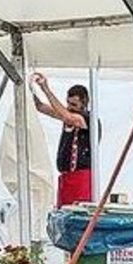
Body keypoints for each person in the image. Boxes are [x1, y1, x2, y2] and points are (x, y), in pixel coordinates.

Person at [32, 74, 91, 207]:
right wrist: (29, 91)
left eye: (74, 104)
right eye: (68, 103)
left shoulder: (86, 119)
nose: (69, 107)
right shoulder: (69, 116)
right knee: (63, 211)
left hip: (81, 177)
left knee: (76, 212)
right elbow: (41, 107)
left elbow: (66, 116)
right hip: (66, 177)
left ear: (84, 103)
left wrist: (46, 89)